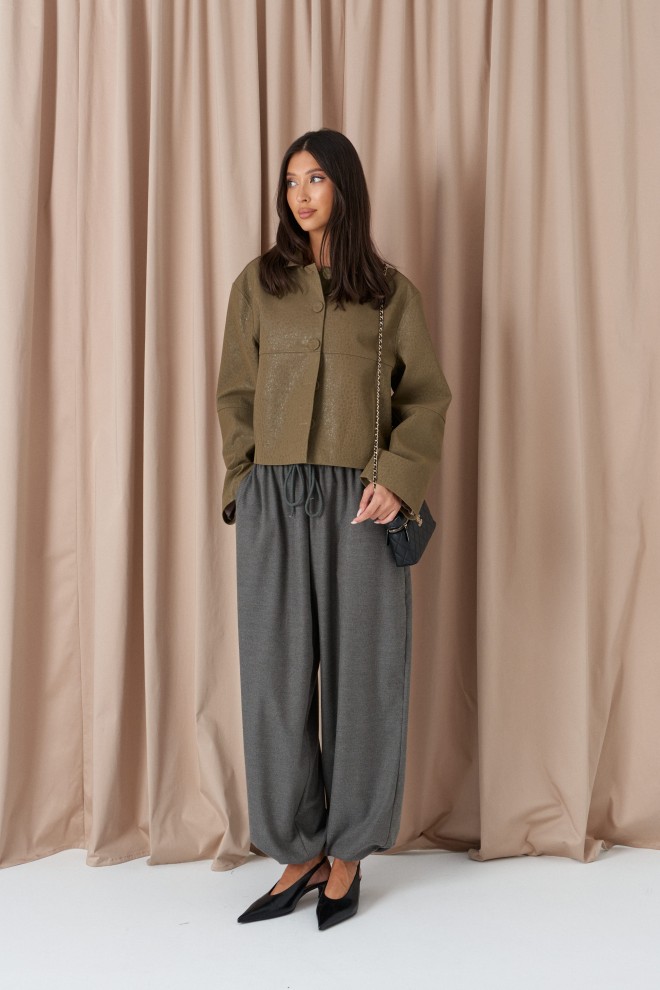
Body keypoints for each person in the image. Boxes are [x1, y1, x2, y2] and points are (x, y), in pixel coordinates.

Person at [216, 128, 452, 930]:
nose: (301, 195)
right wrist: (245, 483)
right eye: (291, 182)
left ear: (344, 186)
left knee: (365, 673)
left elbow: (425, 397)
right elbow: (235, 393)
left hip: (362, 499)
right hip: (274, 499)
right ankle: (298, 850)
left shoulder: (390, 295)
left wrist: (398, 479)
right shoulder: (258, 285)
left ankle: (348, 851)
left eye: (315, 178)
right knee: (275, 679)